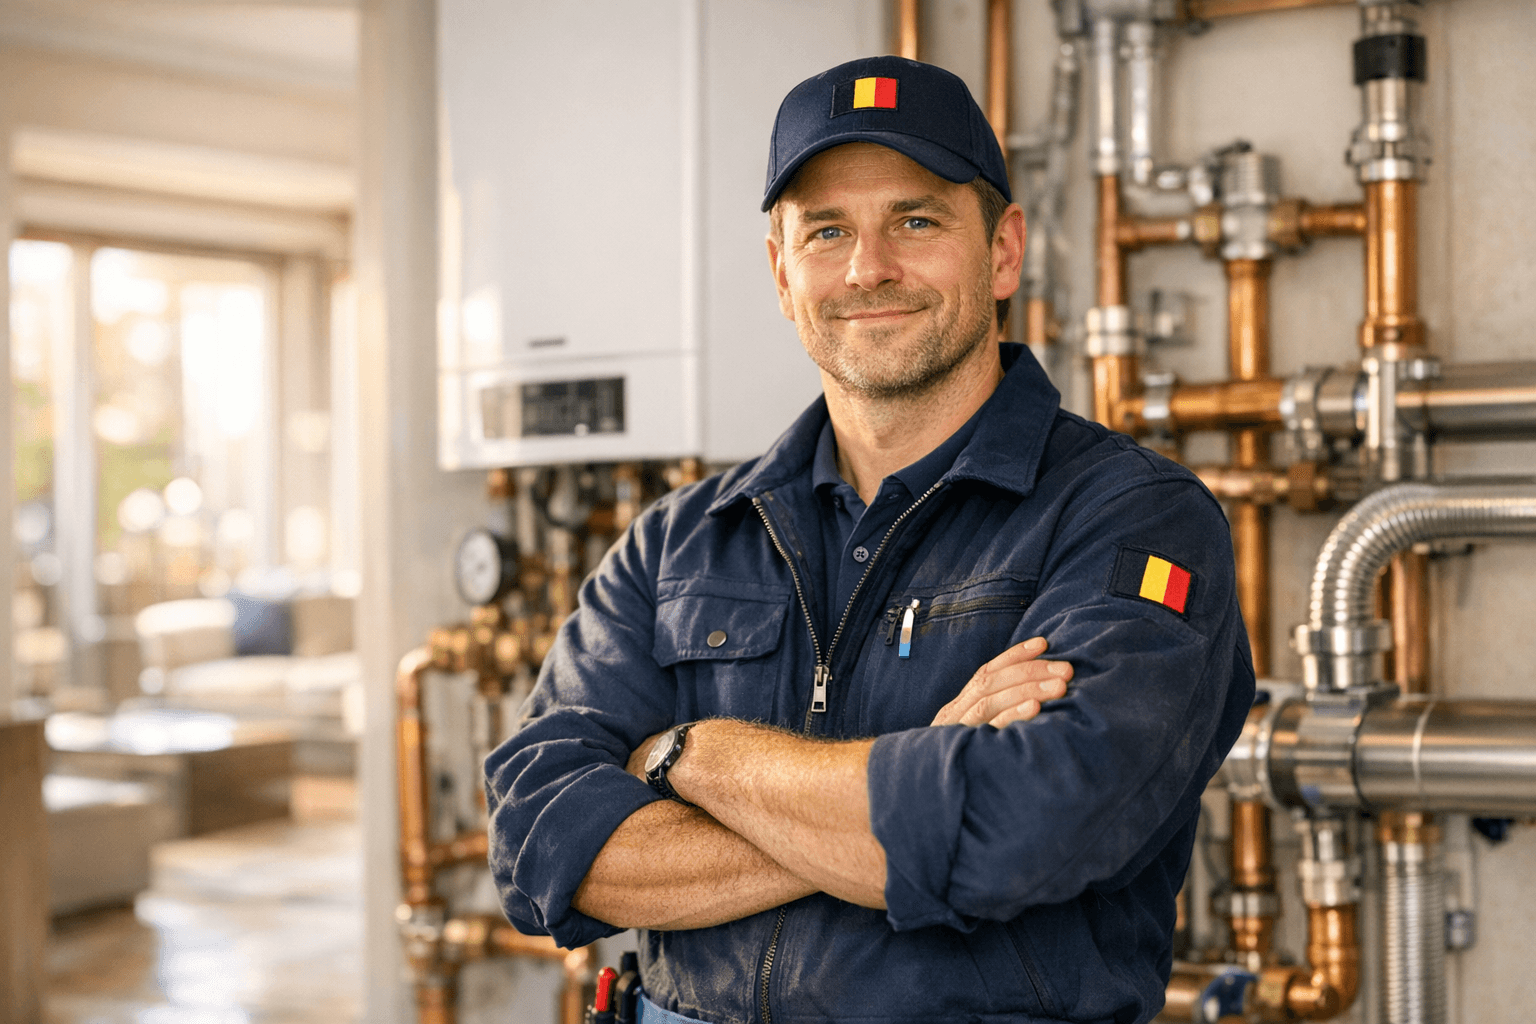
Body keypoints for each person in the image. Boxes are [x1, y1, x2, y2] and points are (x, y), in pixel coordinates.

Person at [485, 55, 1254, 1024]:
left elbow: (1027, 829)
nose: (868, 267)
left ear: (1004, 250)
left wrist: (690, 754)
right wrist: (921, 769)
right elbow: (543, 842)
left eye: (917, 219)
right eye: (828, 231)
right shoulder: (677, 544)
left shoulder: (1130, 517)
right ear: (780, 271)